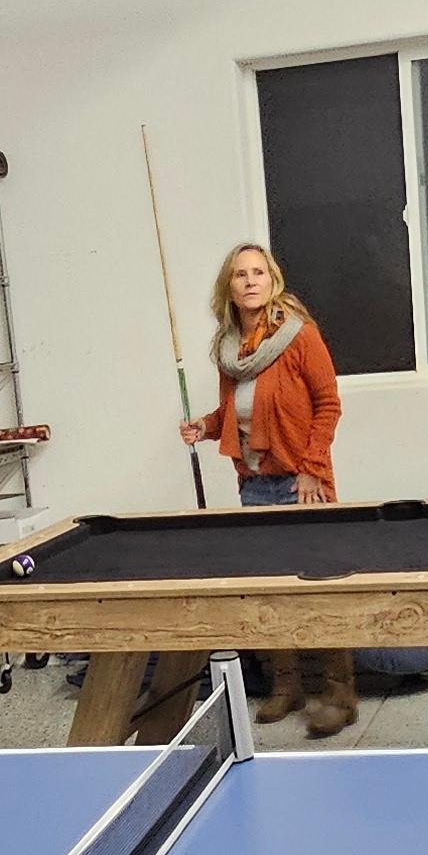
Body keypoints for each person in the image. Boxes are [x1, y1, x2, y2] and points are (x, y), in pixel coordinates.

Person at [177, 241, 354, 736]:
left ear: (272, 280)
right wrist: (207, 427)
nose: (250, 280)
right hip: (255, 485)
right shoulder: (230, 350)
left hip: (304, 481)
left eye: (259, 272)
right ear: (228, 288)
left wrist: (312, 467)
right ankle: (286, 686)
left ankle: (337, 693)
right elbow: (238, 412)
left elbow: (328, 404)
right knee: (270, 592)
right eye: (240, 274)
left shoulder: (300, 336)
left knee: (320, 591)